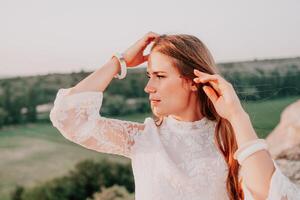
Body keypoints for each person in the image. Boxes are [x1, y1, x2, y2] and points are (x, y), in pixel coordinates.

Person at [49, 32, 300, 200]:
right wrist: (119, 61)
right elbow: (68, 118)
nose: (149, 87)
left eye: (159, 76)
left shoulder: (230, 140)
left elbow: (277, 195)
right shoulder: (142, 138)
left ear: (193, 80)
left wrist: (237, 116)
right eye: (150, 76)